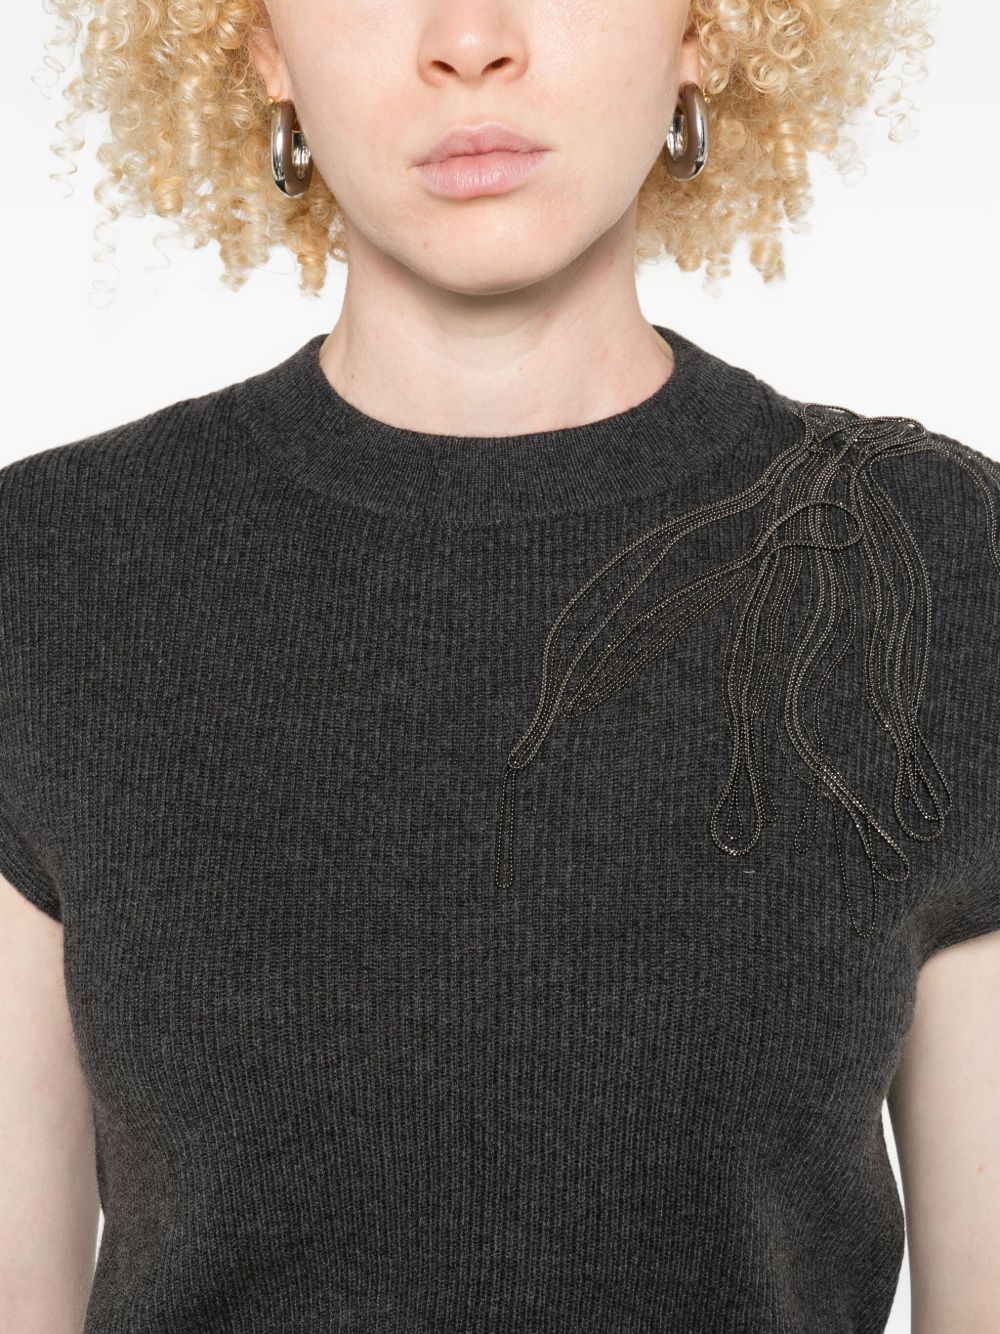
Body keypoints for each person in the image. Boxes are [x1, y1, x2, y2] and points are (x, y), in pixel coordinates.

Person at [2, 2, 998, 1332]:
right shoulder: (51, 572)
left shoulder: (935, 558)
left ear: (705, 27)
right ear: (259, 44)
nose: (469, 38)